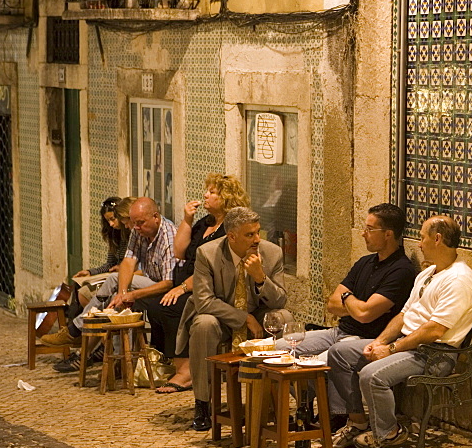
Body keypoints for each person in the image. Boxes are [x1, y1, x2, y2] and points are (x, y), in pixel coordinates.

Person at [327, 215, 472, 448]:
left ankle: (389, 433)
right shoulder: (427, 274)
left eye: (422, 237)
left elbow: (434, 330)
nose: (418, 244)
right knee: (339, 353)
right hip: (408, 345)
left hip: (435, 355)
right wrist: (379, 342)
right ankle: (358, 422)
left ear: (437, 239)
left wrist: (391, 350)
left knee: (371, 375)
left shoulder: (459, 279)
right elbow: (403, 315)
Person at [175, 207, 289, 431]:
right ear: (232, 236)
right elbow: (204, 301)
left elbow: (280, 301)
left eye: (258, 232)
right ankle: (203, 402)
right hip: (221, 317)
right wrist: (244, 318)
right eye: (250, 235)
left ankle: (275, 400)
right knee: (203, 324)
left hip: (259, 314)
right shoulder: (207, 254)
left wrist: (260, 278)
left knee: (283, 317)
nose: (257, 239)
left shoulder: (272, 252)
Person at [144, 174, 250, 393]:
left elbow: (213, 270)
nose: (205, 195)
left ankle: (187, 372)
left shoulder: (229, 230)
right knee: (154, 305)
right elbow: (180, 251)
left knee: (173, 307)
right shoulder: (206, 223)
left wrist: (181, 288)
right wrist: (187, 220)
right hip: (187, 280)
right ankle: (174, 363)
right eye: (207, 191)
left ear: (226, 197)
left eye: (212, 192)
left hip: (208, 288)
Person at [46, 198, 177, 371]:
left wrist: (130, 294)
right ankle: (118, 362)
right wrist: (123, 294)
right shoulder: (139, 230)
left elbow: (168, 283)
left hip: (166, 290)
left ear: (155, 217)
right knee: (116, 301)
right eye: (134, 223)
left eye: (139, 223)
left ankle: (76, 329)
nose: (135, 228)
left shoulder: (169, 237)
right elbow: (128, 261)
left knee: (113, 280)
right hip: (148, 282)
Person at [278, 203, 416, 360]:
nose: (363, 234)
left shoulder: (401, 270)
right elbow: (332, 304)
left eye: (370, 229)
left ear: (388, 234)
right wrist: (359, 305)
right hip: (338, 331)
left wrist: (346, 297)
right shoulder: (365, 262)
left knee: (315, 363)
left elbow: (364, 315)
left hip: (364, 338)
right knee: (279, 348)